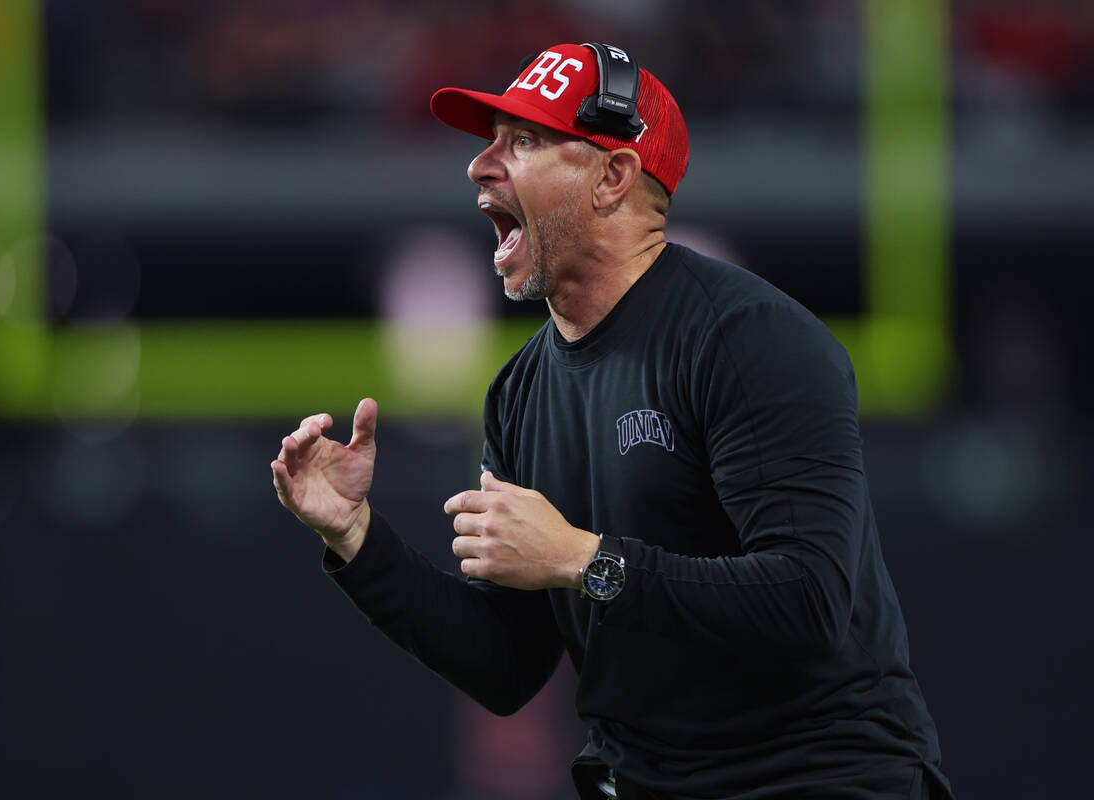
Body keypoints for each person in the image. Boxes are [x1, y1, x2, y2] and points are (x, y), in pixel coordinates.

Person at [271, 42, 953, 800]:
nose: (481, 166)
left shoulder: (747, 336)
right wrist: (355, 537)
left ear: (613, 178)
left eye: (524, 141)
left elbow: (808, 600)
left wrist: (585, 559)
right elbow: (506, 666)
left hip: (815, 781)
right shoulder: (521, 391)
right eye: (490, 141)